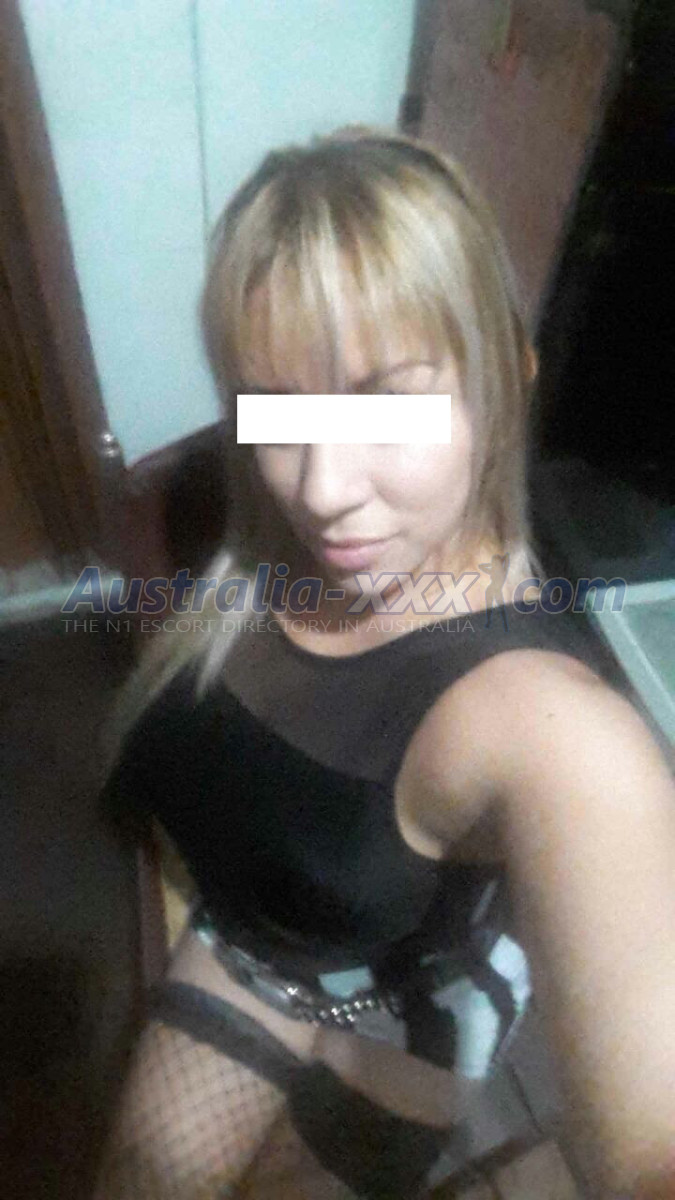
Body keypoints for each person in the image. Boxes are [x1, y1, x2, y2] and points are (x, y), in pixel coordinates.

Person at [95, 127, 675, 1199]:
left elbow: (651, 1146)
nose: (320, 491)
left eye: (387, 407)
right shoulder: (243, 523)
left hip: (402, 1025)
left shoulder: (551, 726)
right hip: (254, 942)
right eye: (281, 413)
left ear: (505, 385)